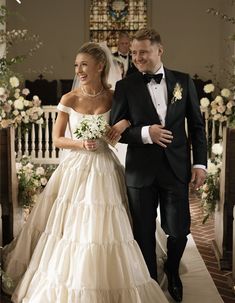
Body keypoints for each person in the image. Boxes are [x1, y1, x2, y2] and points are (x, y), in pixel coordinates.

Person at [2, 42, 169, 303]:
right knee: (70, 227)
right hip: (76, 168)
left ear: (100, 66)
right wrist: (81, 143)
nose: (79, 70)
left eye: (84, 65)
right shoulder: (69, 99)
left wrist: (121, 124)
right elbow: (57, 139)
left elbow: (134, 119)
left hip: (105, 166)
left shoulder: (114, 96)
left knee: (110, 224)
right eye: (76, 65)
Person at [110, 28, 207, 302]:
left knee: (178, 230)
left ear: (159, 50)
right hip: (140, 170)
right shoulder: (125, 86)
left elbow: (198, 128)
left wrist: (200, 164)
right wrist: (145, 133)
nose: (138, 57)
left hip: (176, 168)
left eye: (144, 52)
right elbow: (115, 130)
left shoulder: (183, 82)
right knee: (142, 231)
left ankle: (173, 272)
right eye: (135, 53)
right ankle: (150, 282)